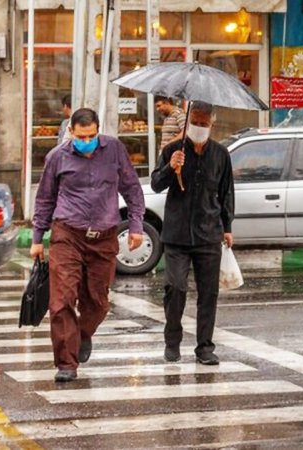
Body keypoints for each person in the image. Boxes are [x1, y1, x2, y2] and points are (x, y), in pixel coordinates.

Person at [31, 108, 145, 382]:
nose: (87, 142)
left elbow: (131, 188)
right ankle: (66, 363)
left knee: (98, 302)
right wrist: (37, 238)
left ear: (98, 130)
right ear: (71, 132)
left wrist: (136, 225)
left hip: (104, 237)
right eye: (82, 137)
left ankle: (81, 334)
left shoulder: (114, 150)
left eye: (92, 135)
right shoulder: (57, 157)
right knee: (61, 301)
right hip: (67, 234)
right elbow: (45, 198)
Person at [150, 101, 234, 365]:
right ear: (186, 123)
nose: (198, 127)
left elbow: (226, 192)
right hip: (176, 234)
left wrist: (228, 226)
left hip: (209, 233)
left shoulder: (221, 155)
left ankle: (205, 347)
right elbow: (155, 185)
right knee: (175, 287)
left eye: (203, 123)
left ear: (212, 124)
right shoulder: (173, 150)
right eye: (194, 122)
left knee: (208, 293)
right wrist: (169, 168)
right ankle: (172, 341)